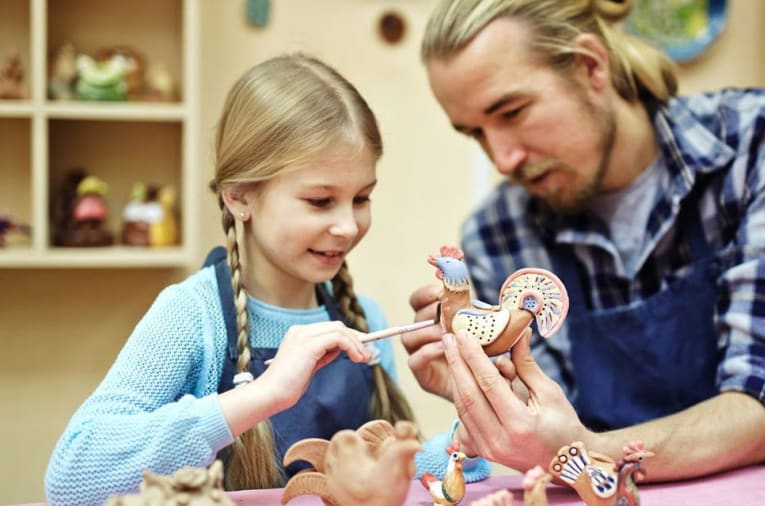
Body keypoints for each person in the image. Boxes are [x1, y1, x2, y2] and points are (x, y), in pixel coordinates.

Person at [403, 0, 765, 482]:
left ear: (591, 66)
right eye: (475, 133)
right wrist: (488, 388)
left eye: (511, 111)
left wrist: (585, 453)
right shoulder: (498, 230)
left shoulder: (758, 142)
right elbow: (549, 412)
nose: (502, 160)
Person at [44, 52, 486, 506]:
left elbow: (384, 478)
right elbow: (72, 476)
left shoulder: (364, 318)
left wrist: (468, 436)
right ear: (239, 197)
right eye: (319, 201)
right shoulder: (192, 316)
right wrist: (264, 395)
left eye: (361, 198)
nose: (348, 226)